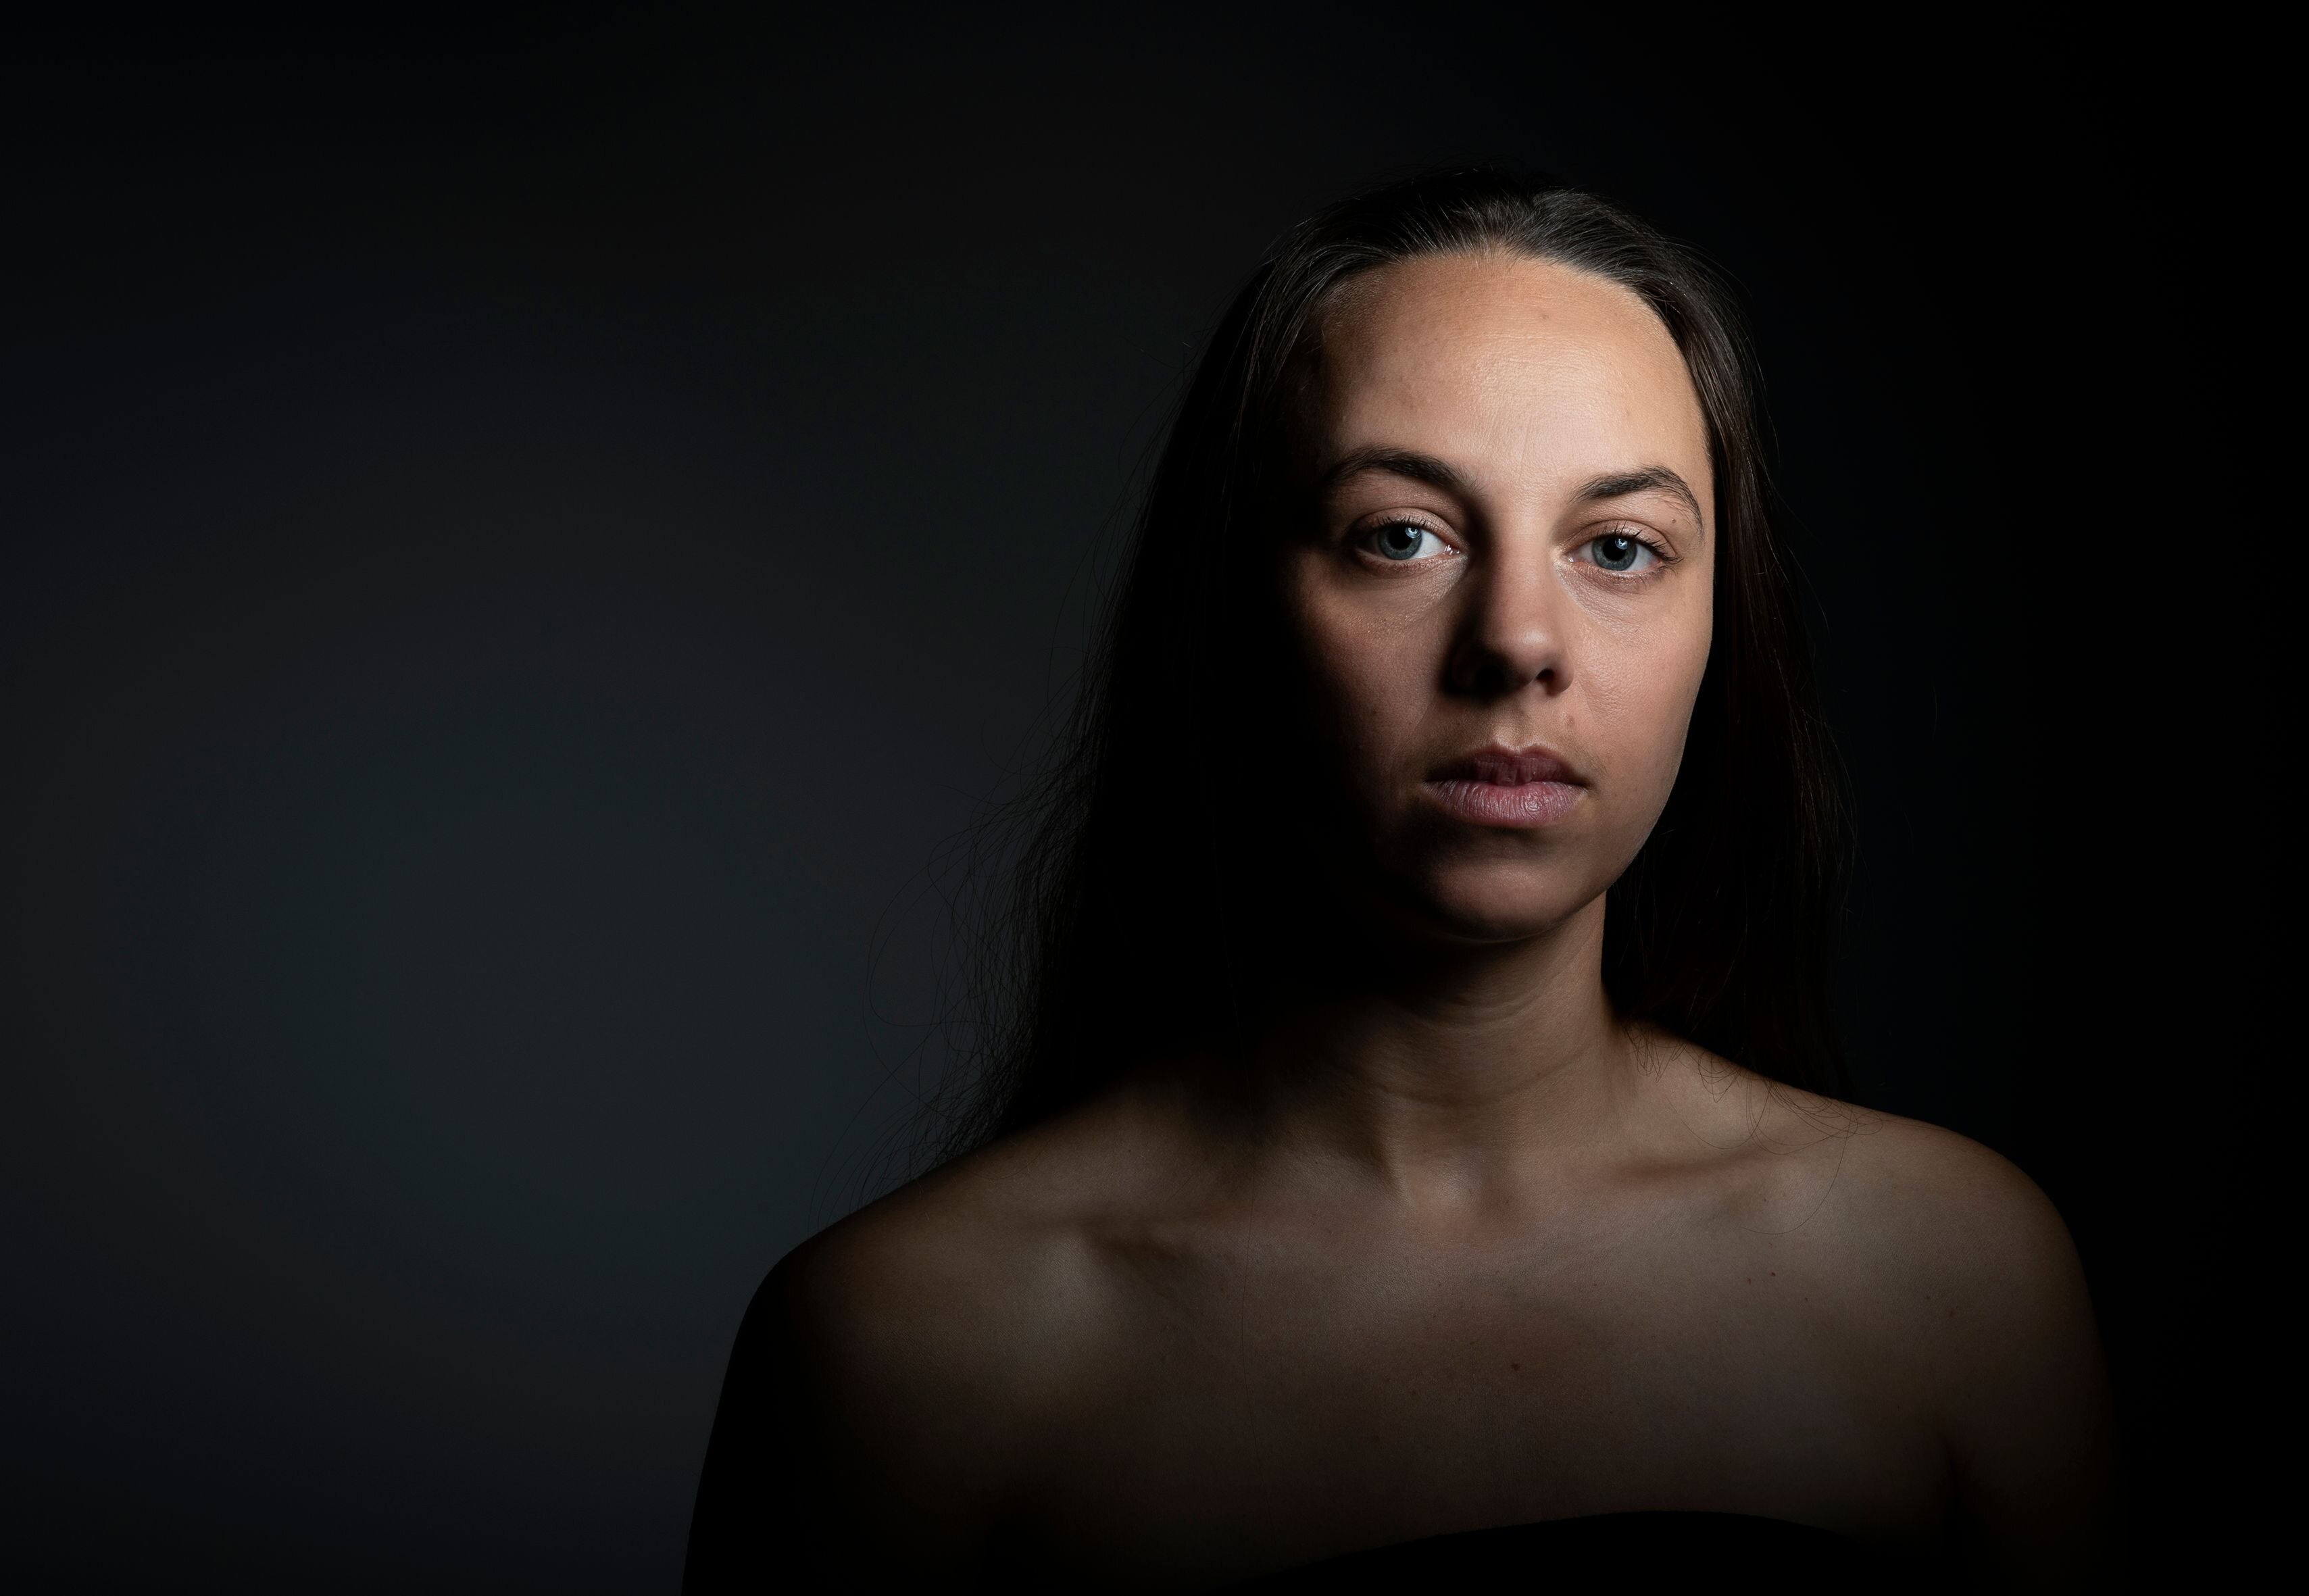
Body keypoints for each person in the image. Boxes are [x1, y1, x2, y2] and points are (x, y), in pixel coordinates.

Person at [683, 169, 2114, 1590]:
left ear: (1719, 625)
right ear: (1235, 609)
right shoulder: (903, 1349)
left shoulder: (1951, 1278)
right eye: (1400, 535)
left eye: (1619, 548)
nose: (1516, 640)